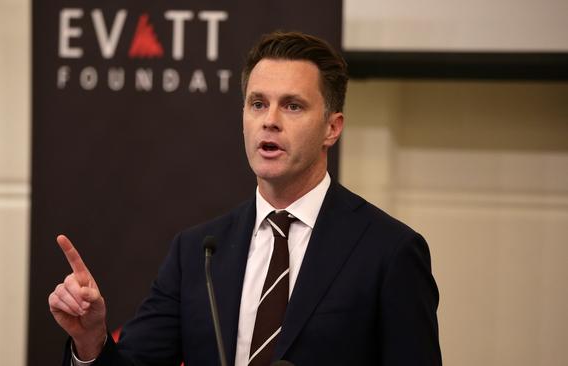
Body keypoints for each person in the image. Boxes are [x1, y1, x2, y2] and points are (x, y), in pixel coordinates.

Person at [49, 31, 442, 366]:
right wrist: (91, 342)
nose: (270, 120)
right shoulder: (196, 254)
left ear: (332, 128)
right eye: (258, 103)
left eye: (292, 105)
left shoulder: (389, 252)